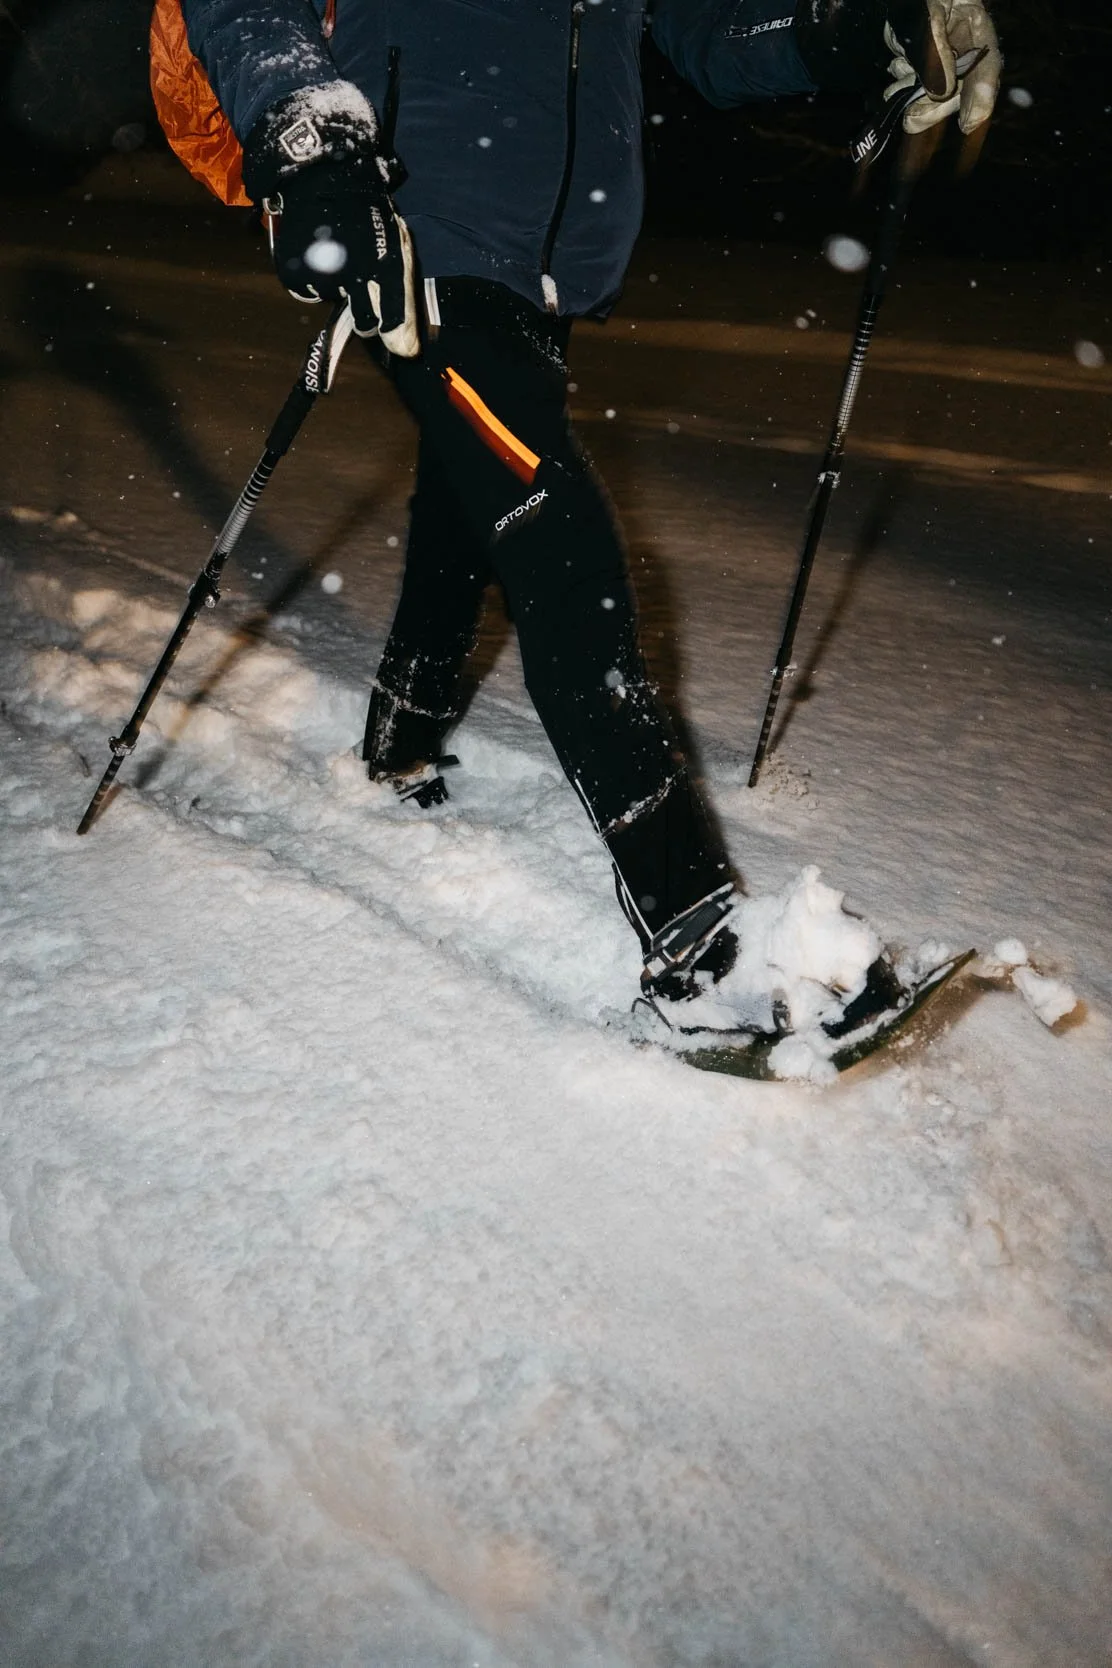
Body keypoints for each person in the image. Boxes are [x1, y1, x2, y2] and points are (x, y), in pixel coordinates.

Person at [178, 0, 999, 1035]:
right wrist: (310, 138)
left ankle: (397, 743)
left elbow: (704, 42)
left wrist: (850, 34)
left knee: (478, 495)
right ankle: (697, 945)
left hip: (547, 266)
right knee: (554, 532)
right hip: (414, 234)